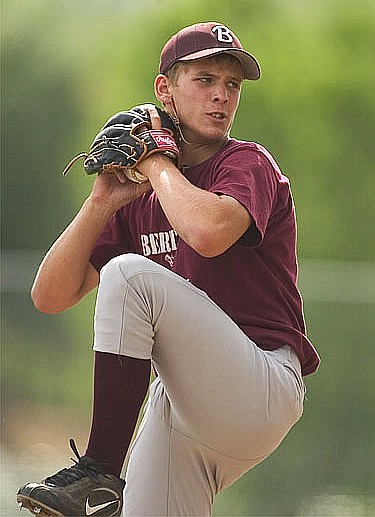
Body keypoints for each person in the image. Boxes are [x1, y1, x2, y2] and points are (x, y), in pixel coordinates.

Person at [17, 21, 320, 517]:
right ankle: (103, 483)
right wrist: (100, 202)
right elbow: (49, 296)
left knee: (129, 275)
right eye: (205, 80)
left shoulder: (246, 163)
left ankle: (98, 472)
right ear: (166, 90)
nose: (221, 96)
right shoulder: (139, 202)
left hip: (260, 383)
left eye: (232, 85)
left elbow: (208, 232)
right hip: (185, 407)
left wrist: (156, 160)